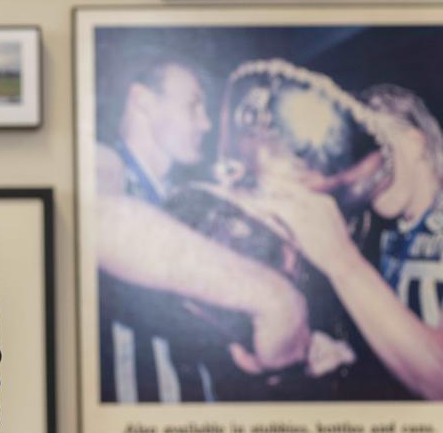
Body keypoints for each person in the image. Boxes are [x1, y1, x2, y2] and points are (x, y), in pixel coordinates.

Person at [96, 58, 310, 402]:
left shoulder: (183, 199)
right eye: (194, 104)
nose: (207, 123)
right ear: (143, 101)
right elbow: (96, 218)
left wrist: (300, 344)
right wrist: (275, 298)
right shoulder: (103, 162)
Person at [261, 84, 443, 399]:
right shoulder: (392, 238)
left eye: (377, 147)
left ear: (414, 143)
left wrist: (342, 261)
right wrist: (352, 355)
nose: (363, 170)